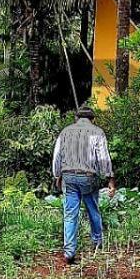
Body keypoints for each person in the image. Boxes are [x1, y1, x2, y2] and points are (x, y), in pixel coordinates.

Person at [51, 107, 115, 264]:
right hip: (87, 177)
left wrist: (57, 175)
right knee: (93, 209)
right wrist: (110, 179)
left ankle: (69, 252)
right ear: (93, 119)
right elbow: (103, 159)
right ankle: (97, 243)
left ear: (76, 118)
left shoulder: (65, 132)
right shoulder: (97, 132)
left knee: (70, 214)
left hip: (68, 177)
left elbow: (57, 156)